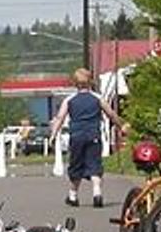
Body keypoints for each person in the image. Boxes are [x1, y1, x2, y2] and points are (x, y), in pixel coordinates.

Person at [48, 67, 123, 209]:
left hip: (76, 136)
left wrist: (53, 135)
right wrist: (121, 127)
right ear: (90, 82)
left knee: (76, 165)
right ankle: (97, 192)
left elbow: (59, 118)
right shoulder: (97, 98)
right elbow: (111, 114)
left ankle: (73, 195)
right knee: (94, 164)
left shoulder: (69, 100)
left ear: (75, 83)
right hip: (93, 134)